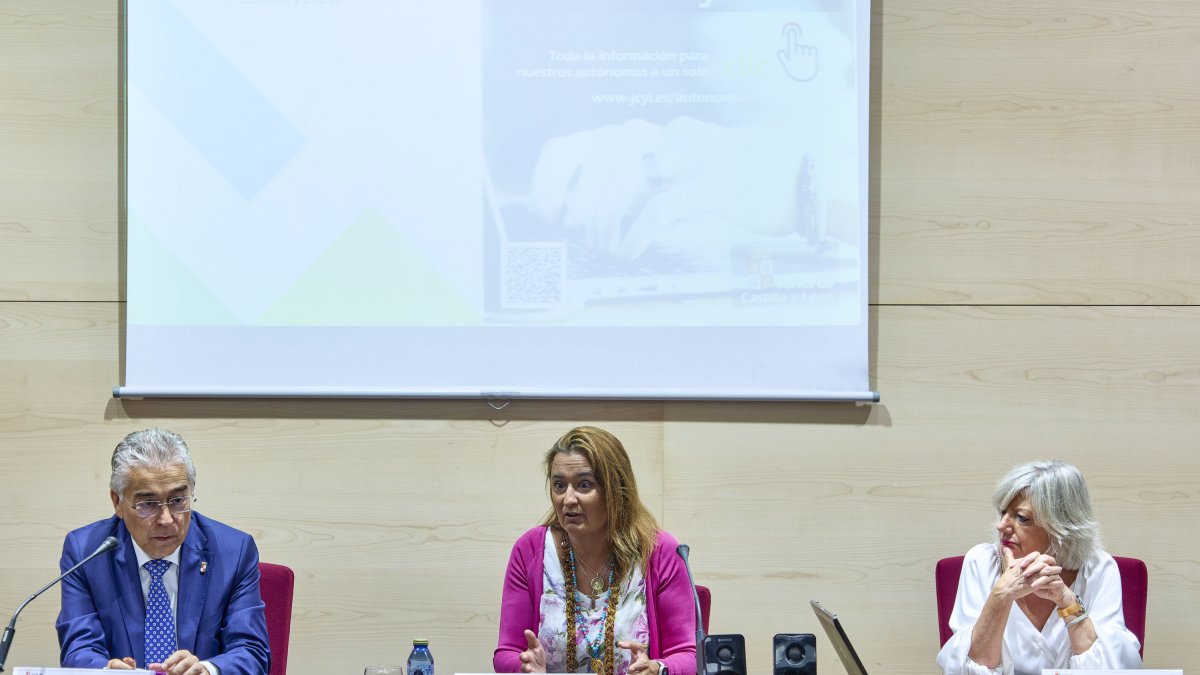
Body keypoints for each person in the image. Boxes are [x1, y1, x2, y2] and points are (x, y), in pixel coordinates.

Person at [56, 428, 270, 675]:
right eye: (148, 504)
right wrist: (106, 670)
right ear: (117, 502)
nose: (166, 519)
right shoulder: (86, 552)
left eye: (178, 500)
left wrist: (208, 670)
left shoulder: (234, 551)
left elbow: (252, 652)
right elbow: (78, 650)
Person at [494, 426, 696, 675]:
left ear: (615, 491)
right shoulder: (530, 550)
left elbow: (689, 655)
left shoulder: (659, 552)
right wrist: (525, 667)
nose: (567, 499)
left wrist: (657, 668)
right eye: (559, 485)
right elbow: (506, 652)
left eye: (584, 485)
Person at [936, 460, 1142, 674]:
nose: (1002, 526)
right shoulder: (981, 562)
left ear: (1061, 527)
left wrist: (1068, 602)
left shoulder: (1098, 569)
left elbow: (1111, 671)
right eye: (1003, 512)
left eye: (1021, 518)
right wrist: (1001, 594)